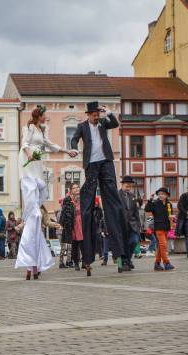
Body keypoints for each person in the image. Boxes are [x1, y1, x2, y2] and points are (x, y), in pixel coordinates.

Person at [18, 105, 79, 280]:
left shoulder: (41, 129)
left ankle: (35, 263)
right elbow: (25, 144)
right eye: (45, 114)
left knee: (39, 203)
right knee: (34, 214)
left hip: (37, 164)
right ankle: (31, 262)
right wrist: (29, 154)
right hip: (29, 164)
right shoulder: (29, 127)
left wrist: (67, 150)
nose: (47, 117)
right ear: (40, 115)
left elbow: (50, 145)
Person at [70, 101, 121, 276]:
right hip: (91, 164)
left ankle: (120, 255)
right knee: (88, 199)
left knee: (112, 197)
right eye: (94, 114)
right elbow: (74, 138)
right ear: (88, 114)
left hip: (105, 161)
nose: (96, 116)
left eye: (98, 114)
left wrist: (109, 113)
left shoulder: (103, 123)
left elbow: (115, 124)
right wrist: (74, 148)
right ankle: (88, 258)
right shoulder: (82, 126)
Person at [145, 187, 175, 271]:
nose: (160, 195)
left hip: (166, 226)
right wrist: (150, 199)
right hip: (158, 227)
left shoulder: (169, 204)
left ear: (166, 195)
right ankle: (166, 263)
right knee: (163, 244)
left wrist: (172, 221)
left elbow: (170, 215)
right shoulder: (155, 203)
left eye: (162, 194)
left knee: (161, 246)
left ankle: (157, 263)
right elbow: (147, 209)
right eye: (159, 194)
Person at [120, 176, 141, 271]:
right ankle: (126, 261)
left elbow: (136, 212)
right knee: (124, 244)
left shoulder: (133, 196)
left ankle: (128, 259)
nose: (128, 187)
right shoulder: (117, 195)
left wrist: (139, 225)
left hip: (133, 224)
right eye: (127, 185)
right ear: (122, 184)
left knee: (134, 241)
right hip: (122, 224)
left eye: (130, 185)